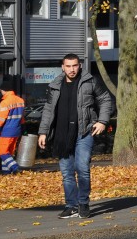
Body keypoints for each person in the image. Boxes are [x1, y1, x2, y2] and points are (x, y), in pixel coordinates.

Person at [38, 54, 114, 219]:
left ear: (79, 65)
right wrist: (43, 132)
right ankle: (71, 206)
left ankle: (83, 203)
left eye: (74, 65)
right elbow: (48, 110)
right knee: (67, 172)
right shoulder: (54, 85)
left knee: (82, 168)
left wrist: (102, 121)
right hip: (61, 134)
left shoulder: (90, 81)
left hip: (84, 132)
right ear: (63, 67)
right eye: (68, 66)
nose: (72, 69)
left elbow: (105, 99)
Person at [0, 75, 24, 174]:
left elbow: (1, 119)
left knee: (2, 152)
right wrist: (24, 129)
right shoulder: (20, 100)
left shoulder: (5, 102)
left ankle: (15, 168)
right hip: (17, 130)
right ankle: (6, 174)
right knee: (8, 153)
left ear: (4, 90)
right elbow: (22, 118)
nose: (1, 92)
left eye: (1, 90)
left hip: (7, 130)